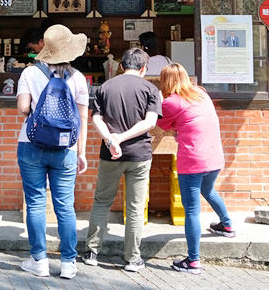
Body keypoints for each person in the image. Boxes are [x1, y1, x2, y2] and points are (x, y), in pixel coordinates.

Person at [16, 24, 89, 280]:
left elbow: (23, 108)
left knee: (35, 203)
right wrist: (81, 152)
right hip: (66, 148)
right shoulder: (78, 78)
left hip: (31, 144)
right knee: (65, 206)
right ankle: (68, 262)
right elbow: (82, 118)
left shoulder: (29, 73)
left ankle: (39, 260)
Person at [84, 47, 161, 272]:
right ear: (144, 68)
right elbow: (150, 123)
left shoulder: (105, 87)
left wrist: (111, 140)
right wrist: (122, 138)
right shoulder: (150, 89)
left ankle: (92, 252)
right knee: (135, 207)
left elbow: (96, 119)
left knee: (102, 202)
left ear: (120, 66)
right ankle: (132, 259)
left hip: (110, 154)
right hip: (139, 154)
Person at [157, 63, 236, 275]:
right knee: (208, 190)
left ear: (165, 82)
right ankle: (227, 225)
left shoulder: (171, 102)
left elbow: (161, 124)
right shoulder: (201, 93)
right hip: (214, 157)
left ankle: (193, 261)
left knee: (191, 210)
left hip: (193, 161)